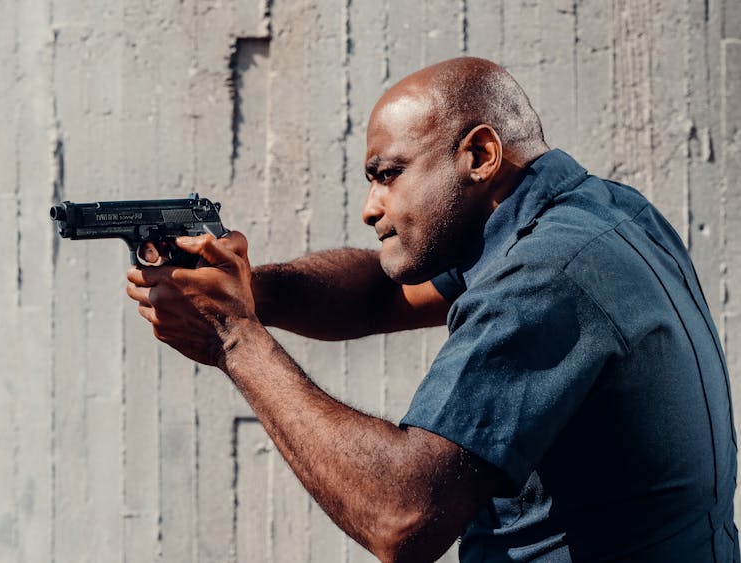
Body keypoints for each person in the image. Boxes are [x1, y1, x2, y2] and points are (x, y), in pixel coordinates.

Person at [126, 57, 739, 562]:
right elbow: (384, 292)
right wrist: (243, 289)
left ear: (478, 155)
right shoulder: (605, 211)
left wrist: (234, 337)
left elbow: (401, 516)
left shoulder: (544, 277)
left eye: (388, 175)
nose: (371, 207)